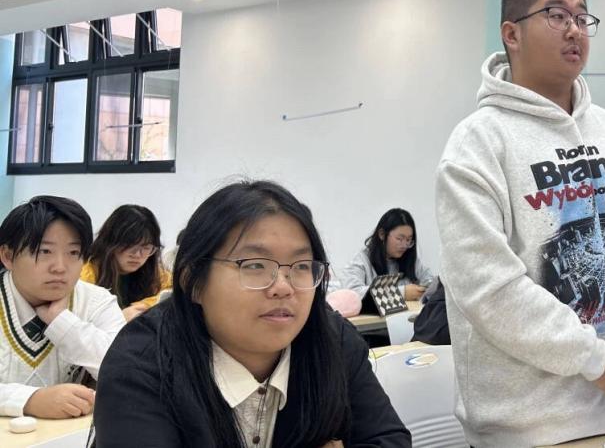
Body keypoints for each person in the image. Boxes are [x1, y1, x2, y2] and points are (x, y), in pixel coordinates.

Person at [436, 0, 605, 446]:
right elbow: (489, 288)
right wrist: (593, 358)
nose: (574, 30)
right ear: (512, 34)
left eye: (583, 18)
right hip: (524, 428)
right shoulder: (478, 141)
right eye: (557, 15)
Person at [92, 181, 410, 447]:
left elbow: (389, 440)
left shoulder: (333, 340)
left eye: (301, 266)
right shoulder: (142, 362)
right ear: (193, 282)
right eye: (255, 265)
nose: (283, 287)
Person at [0, 196, 125, 418]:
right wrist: (30, 400)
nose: (60, 267)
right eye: (44, 252)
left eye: (73, 253)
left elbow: (128, 371)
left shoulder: (97, 302)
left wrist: (63, 323)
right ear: (8, 256)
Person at [80, 205, 172, 322]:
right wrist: (118, 318)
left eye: (146, 247)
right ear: (110, 243)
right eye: (130, 245)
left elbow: (173, 291)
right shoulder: (85, 275)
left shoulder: (155, 273)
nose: (137, 254)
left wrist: (144, 306)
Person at [339, 208, 434, 301]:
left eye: (408, 240)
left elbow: (430, 282)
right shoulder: (362, 260)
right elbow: (352, 294)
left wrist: (426, 288)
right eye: (399, 239)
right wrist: (401, 293)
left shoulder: (410, 259)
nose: (404, 245)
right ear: (382, 234)